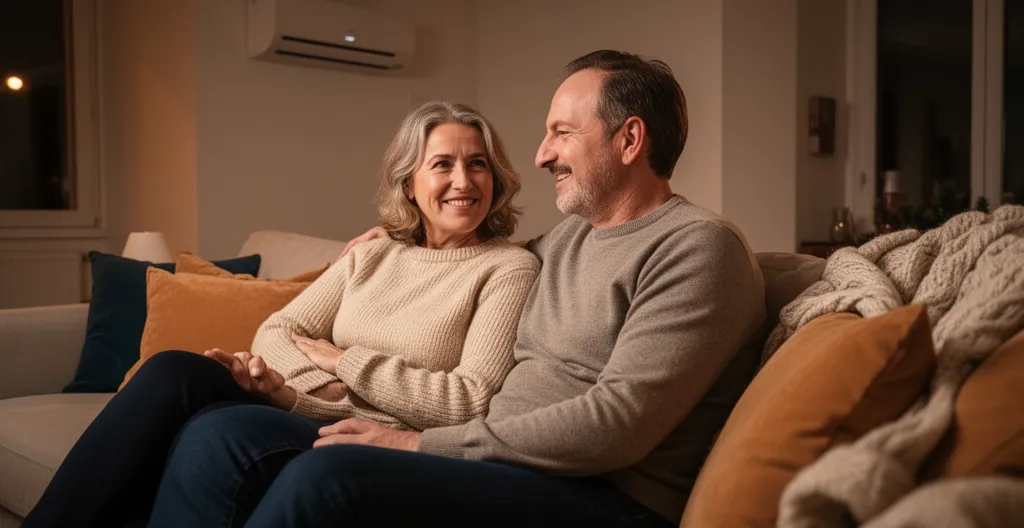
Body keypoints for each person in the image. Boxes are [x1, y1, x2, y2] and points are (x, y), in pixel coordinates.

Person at [238, 50, 768, 527]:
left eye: (562, 133)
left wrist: (421, 443)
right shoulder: (570, 238)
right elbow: (470, 257)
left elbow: (618, 424)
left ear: (628, 140)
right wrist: (401, 241)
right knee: (229, 434)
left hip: (604, 493)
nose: (541, 155)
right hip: (509, 464)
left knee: (328, 478)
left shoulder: (698, 248)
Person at [23, 101, 540, 528]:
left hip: (368, 434)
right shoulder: (374, 252)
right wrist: (301, 391)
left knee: (214, 431)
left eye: (477, 164)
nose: (464, 180)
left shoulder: (507, 269)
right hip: (306, 403)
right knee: (172, 371)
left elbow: (470, 401)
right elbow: (279, 329)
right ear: (409, 183)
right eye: (442, 164)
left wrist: (347, 364)